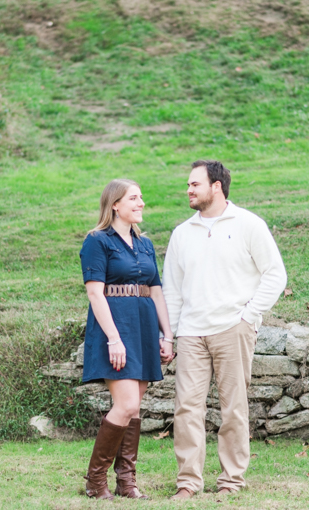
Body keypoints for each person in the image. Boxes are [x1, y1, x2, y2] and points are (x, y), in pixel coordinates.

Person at [163, 160, 287, 499]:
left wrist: (249, 316)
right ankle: (188, 483)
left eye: (194, 184)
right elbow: (172, 289)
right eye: (188, 185)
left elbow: (275, 275)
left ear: (216, 186)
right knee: (187, 408)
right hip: (191, 333)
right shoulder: (181, 233)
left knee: (233, 407)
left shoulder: (248, 224)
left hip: (233, 329)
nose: (188, 190)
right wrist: (169, 334)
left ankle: (231, 481)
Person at [79, 178, 176, 500]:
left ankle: (126, 482)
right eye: (134, 198)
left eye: (142, 197)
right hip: (115, 328)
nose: (141, 203)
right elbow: (95, 293)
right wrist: (113, 339)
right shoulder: (97, 241)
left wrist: (168, 335)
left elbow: (157, 292)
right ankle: (95, 482)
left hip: (145, 326)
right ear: (115, 204)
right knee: (127, 404)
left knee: (134, 410)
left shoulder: (145, 244)